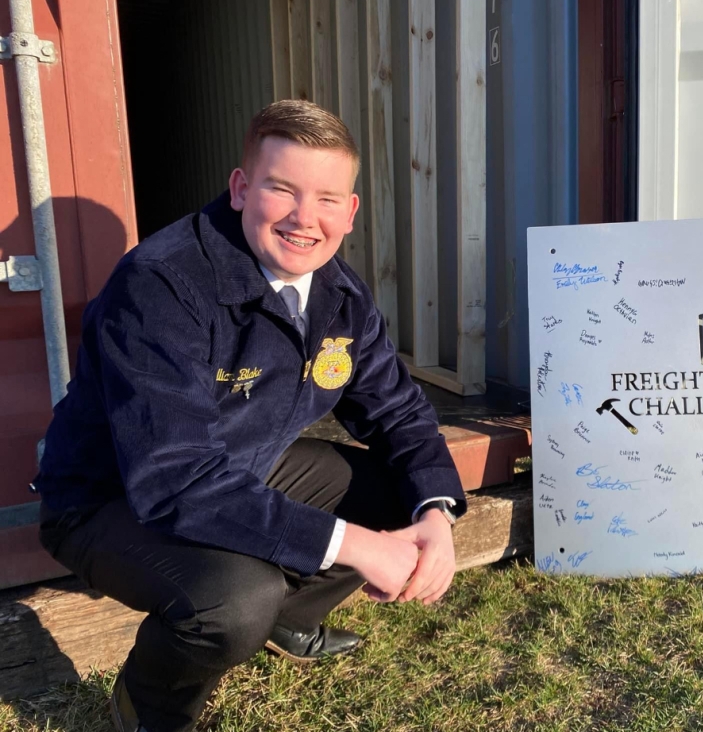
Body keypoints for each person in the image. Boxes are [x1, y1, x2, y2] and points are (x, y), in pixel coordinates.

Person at [33, 99, 466, 732]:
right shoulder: (160, 286)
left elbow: (398, 412)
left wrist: (437, 513)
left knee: (408, 489)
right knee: (237, 599)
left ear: (350, 211)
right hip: (111, 498)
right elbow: (174, 477)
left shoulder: (338, 290)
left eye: (326, 199)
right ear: (240, 189)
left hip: (242, 465)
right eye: (281, 189)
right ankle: (148, 707)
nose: (303, 219)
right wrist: (357, 546)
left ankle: (290, 617)